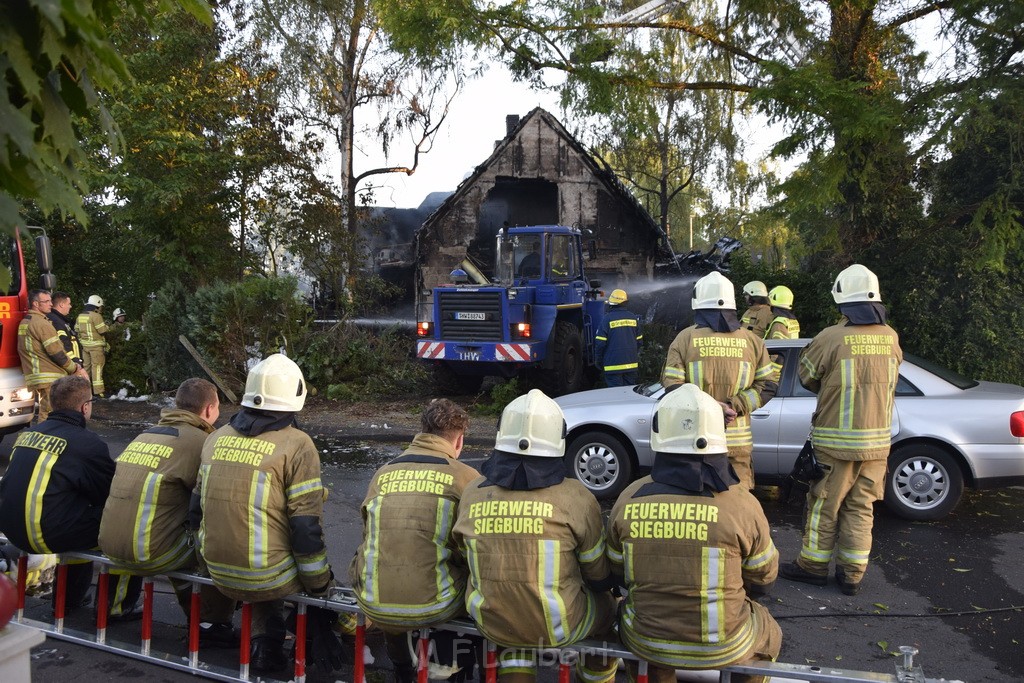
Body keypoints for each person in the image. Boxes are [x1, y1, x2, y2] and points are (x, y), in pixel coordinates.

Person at [607, 384, 782, 683]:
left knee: (632, 633)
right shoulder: (743, 503)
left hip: (648, 641)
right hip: (726, 644)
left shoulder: (628, 498)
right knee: (769, 632)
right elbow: (763, 577)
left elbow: (616, 572)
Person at [453, 389, 618, 683]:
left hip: (490, 619)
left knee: (512, 617)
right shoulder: (577, 496)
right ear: (559, 440)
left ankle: (517, 672)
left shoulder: (473, 493)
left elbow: (467, 556)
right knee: (608, 608)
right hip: (558, 625)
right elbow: (597, 572)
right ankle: (595, 677)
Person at [192, 354, 342, 673]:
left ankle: (265, 645)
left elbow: (196, 512)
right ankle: (287, 643)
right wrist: (320, 586)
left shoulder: (215, 439)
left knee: (263, 563)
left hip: (216, 572)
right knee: (290, 574)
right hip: (263, 575)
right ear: (295, 396)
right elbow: (305, 529)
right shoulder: (297, 444)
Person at [780, 264, 902, 596]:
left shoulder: (832, 337)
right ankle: (852, 575)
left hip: (834, 446)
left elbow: (806, 377)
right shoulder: (890, 337)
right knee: (861, 508)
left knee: (824, 506)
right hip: (877, 446)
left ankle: (812, 567)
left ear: (843, 302)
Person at [350, 399, 481, 683]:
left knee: (389, 573)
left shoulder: (383, 473)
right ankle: (451, 666)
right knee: (471, 575)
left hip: (375, 601)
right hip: (436, 606)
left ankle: (402, 667)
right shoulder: (466, 478)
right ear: (458, 440)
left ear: (422, 431)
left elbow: (368, 534)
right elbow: (473, 548)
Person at [99, 378, 237, 644]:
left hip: (109, 546)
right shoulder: (203, 442)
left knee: (170, 528)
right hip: (150, 552)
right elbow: (214, 500)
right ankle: (212, 625)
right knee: (216, 545)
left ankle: (191, 609)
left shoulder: (146, 435)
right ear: (209, 410)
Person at [0, 375, 113, 613]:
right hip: (46, 534)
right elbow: (107, 494)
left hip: (10, 528)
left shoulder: (26, 435)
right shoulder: (88, 444)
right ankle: (107, 607)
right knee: (114, 519)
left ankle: (65, 597)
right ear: (85, 406)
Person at [661, 272, 775, 490]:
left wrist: (713, 408)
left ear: (698, 304)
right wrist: (733, 406)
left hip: (694, 443)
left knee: (699, 514)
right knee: (737, 510)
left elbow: (673, 389)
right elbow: (768, 386)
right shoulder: (753, 342)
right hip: (736, 445)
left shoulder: (685, 339)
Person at [18, 289, 89, 421]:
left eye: (50, 301)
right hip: (48, 375)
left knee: (47, 411)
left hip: (36, 374)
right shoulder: (42, 324)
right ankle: (43, 439)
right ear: (36, 304)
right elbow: (56, 352)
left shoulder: (26, 322)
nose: (51, 304)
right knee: (49, 414)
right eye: (46, 301)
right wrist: (73, 368)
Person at [594, 288, 642, 387]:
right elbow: (639, 342)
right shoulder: (633, 318)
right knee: (629, 394)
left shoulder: (607, 319)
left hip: (612, 366)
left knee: (616, 396)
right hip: (631, 365)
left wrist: (598, 359)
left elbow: (600, 343)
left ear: (611, 303)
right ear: (625, 302)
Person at [76, 294, 111, 397]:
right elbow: (102, 330)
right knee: (97, 368)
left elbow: (76, 329)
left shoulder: (80, 315)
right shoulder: (96, 316)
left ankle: (85, 391)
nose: (101, 309)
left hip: (85, 347)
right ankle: (99, 392)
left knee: (86, 368)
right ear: (97, 305)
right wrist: (108, 327)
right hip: (96, 347)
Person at [48, 291, 84, 370]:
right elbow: (64, 345)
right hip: (70, 366)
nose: (70, 306)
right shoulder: (56, 321)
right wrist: (75, 362)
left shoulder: (60, 320)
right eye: (69, 304)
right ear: (61, 304)